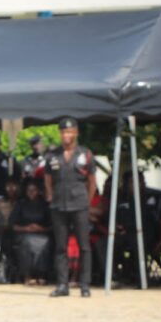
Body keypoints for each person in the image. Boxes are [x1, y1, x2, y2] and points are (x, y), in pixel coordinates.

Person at [45, 117, 96, 298]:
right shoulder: (53, 155)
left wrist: (87, 202)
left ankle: (84, 285)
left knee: (84, 246)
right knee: (60, 247)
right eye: (63, 132)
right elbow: (48, 177)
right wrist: (50, 195)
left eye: (70, 131)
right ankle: (62, 285)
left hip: (79, 204)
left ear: (76, 132)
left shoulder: (85, 154)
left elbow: (92, 182)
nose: (66, 135)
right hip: (59, 205)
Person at [10, 180, 52, 285]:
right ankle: (27, 275)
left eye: (34, 190)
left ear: (38, 191)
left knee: (46, 243)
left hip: (41, 233)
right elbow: (12, 224)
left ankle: (41, 275)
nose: (31, 192)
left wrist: (40, 228)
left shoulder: (44, 205)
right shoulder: (20, 204)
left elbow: (51, 225)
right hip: (23, 233)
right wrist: (26, 228)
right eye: (29, 190)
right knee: (26, 243)